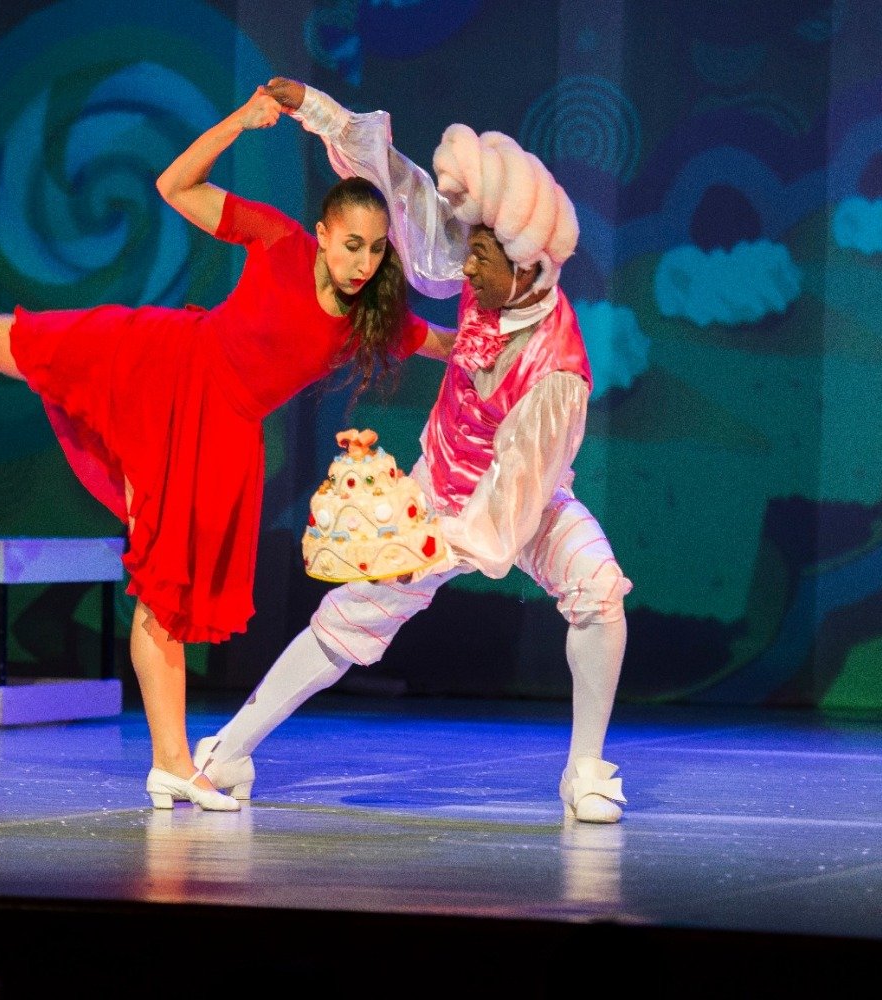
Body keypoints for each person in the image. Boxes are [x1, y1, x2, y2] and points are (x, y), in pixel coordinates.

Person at [0, 86, 453, 813]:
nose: (362, 262)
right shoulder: (279, 242)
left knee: (163, 593)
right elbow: (175, 186)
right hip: (159, 367)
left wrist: (516, 347)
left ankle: (171, 763)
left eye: (376, 249)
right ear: (324, 233)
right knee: (0, 340)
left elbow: (448, 343)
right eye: (351, 244)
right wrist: (240, 121)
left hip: (217, 438)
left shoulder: (373, 317)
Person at [193, 80, 633, 823]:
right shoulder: (492, 270)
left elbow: (513, 500)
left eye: (481, 257)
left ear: (527, 266)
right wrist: (319, 112)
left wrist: (420, 542)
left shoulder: (555, 369)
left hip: (518, 502)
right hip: (441, 484)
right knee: (349, 616)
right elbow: (406, 191)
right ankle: (229, 751)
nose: (466, 267)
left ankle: (585, 769)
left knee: (597, 587)